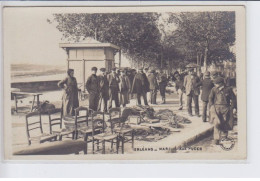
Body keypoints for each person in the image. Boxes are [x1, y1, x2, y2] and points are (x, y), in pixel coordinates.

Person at [208, 77, 237, 145]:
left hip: (226, 108)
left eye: (217, 83)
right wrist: (212, 106)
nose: (215, 85)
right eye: (215, 83)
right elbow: (210, 98)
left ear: (221, 83)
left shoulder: (228, 89)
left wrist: (233, 107)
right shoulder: (214, 89)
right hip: (216, 108)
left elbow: (233, 99)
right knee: (216, 123)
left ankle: (224, 136)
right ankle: (216, 139)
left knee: (225, 122)